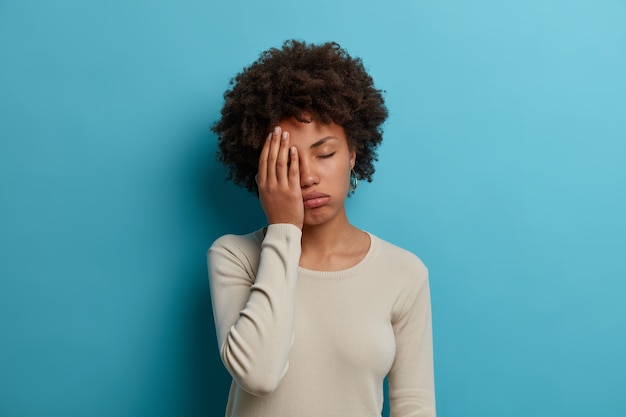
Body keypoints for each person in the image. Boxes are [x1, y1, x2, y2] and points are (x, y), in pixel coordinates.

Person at [207, 40, 436, 417]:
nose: (308, 176)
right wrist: (283, 229)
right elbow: (259, 375)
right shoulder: (234, 257)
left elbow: (415, 406)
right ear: (261, 168)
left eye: (325, 153)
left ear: (352, 154)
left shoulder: (404, 272)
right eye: (288, 161)